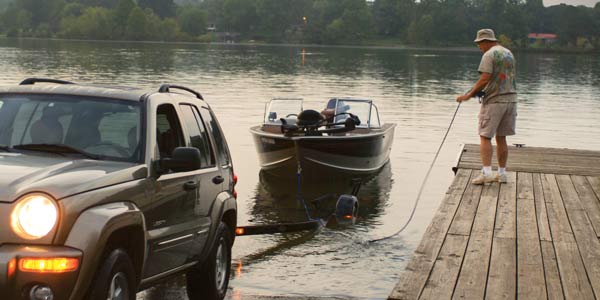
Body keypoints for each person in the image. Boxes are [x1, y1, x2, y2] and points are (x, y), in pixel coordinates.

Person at [456, 29, 517, 185]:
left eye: (479, 44)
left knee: (485, 136)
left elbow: (485, 78)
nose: (479, 47)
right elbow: (500, 78)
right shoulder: (508, 53)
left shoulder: (489, 55)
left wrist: (468, 95)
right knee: (501, 137)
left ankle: (487, 172)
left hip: (494, 101)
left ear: (486, 41)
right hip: (511, 100)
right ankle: (502, 174)